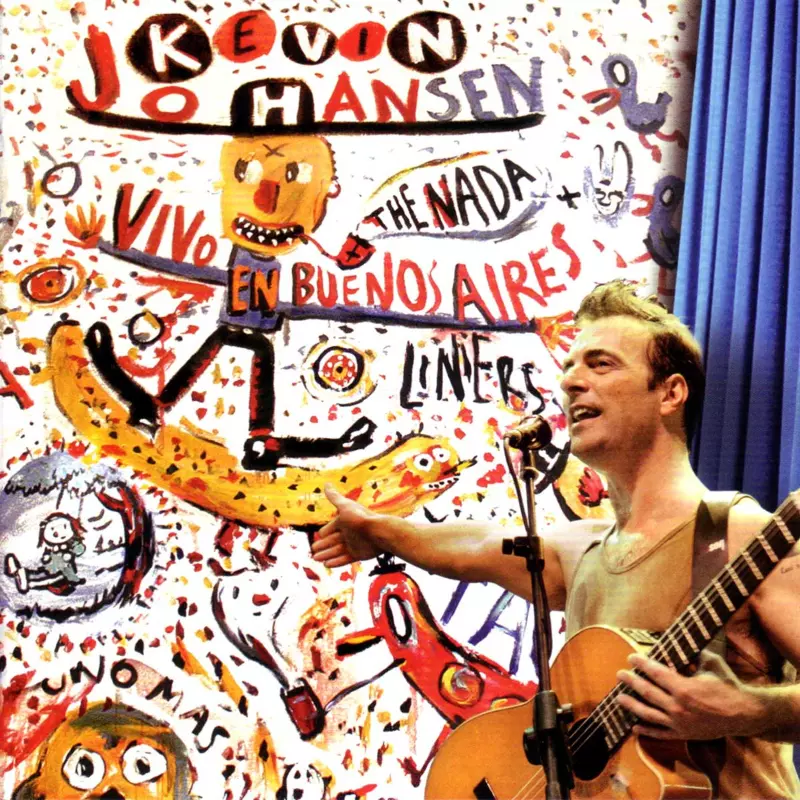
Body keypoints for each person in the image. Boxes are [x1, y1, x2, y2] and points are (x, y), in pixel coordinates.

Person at [312, 280, 800, 799]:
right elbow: (477, 546)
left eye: (601, 364)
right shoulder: (584, 550)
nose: (571, 381)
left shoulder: (738, 534)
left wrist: (747, 710)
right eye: (569, 368)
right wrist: (380, 531)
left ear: (670, 393)